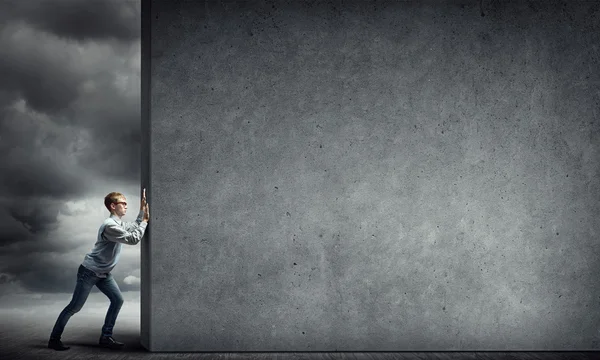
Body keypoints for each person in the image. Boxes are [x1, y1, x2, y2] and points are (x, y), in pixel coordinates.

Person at [48, 189, 150, 351]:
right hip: (89, 272)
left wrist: (142, 211)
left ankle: (105, 337)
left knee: (118, 300)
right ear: (112, 206)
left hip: (103, 274)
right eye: (123, 203)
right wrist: (145, 222)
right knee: (74, 307)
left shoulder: (118, 224)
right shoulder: (110, 226)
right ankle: (54, 339)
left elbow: (133, 226)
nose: (126, 206)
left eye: (126, 204)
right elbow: (133, 238)